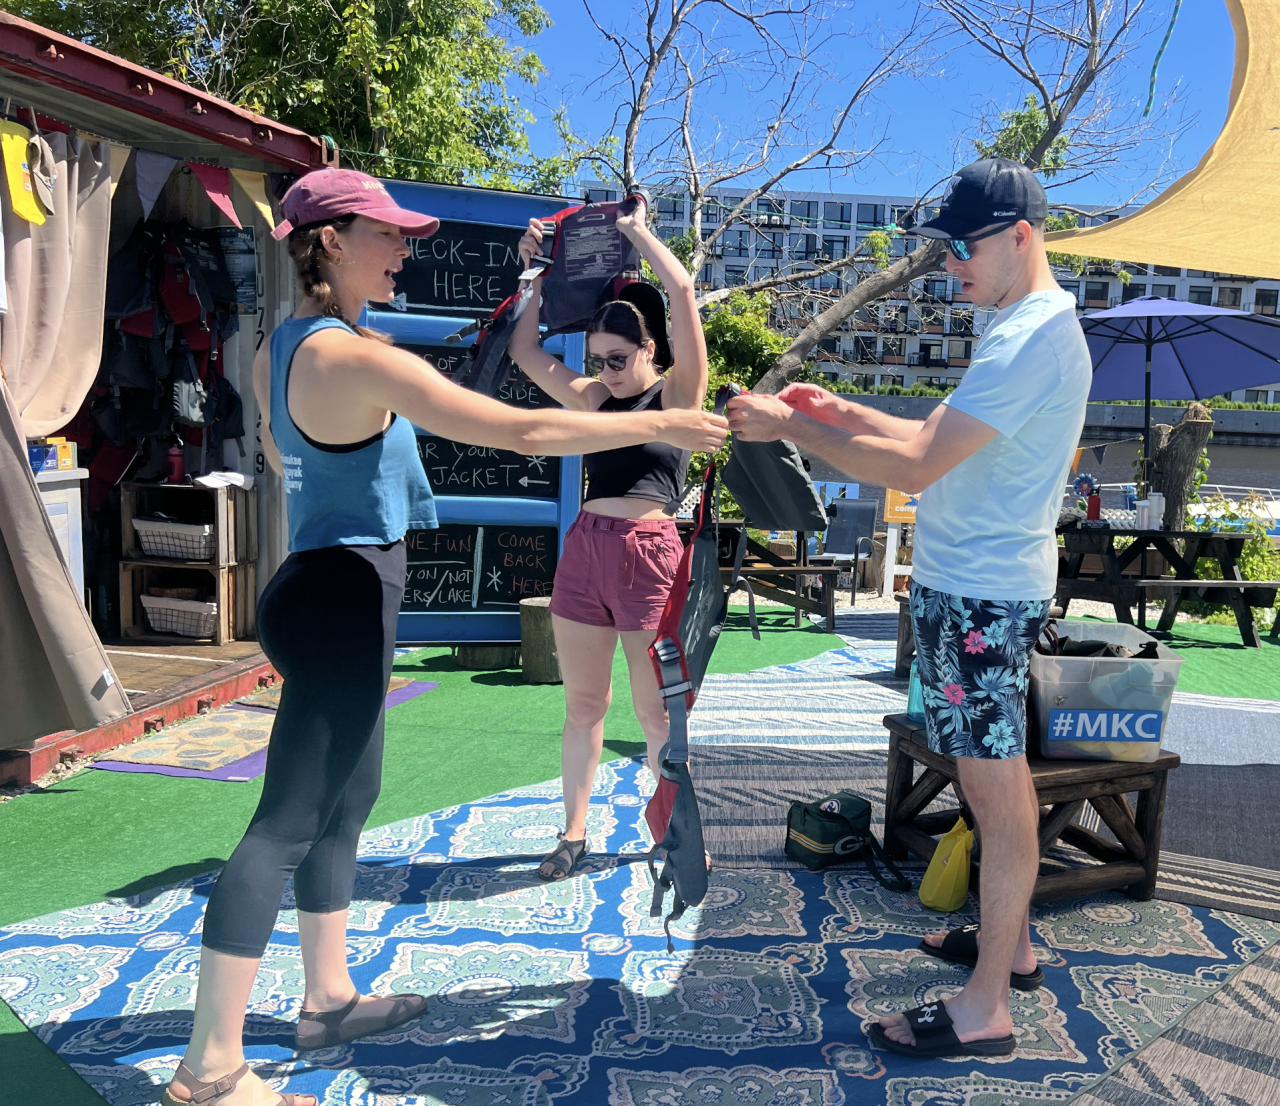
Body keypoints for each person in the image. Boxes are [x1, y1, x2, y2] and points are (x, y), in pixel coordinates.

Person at [162, 169, 727, 1106]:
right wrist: (666, 419)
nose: (405, 248)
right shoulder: (352, 356)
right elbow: (518, 432)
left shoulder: (287, 346)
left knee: (351, 800)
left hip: (327, 582)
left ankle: (327, 998)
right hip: (345, 591)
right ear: (332, 242)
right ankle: (211, 1067)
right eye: (388, 234)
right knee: (285, 826)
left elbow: (276, 451)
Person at [726, 157, 1091, 1060]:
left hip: (982, 593)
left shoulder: (1030, 334)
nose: (951, 264)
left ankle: (986, 1009)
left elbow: (917, 466)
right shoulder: (1021, 324)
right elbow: (940, 439)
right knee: (981, 773)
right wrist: (843, 409)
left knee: (997, 795)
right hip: (973, 583)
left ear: (1019, 236)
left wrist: (793, 429)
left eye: (963, 246)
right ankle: (1016, 947)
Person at [506, 197, 709, 882]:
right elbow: (523, 351)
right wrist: (532, 275)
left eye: (618, 359)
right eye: (598, 359)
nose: (607, 371)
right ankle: (571, 833)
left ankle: (677, 831)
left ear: (649, 348)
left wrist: (637, 234)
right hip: (587, 550)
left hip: (650, 556)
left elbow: (681, 292)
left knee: (656, 714)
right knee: (583, 706)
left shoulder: (678, 397)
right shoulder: (595, 400)